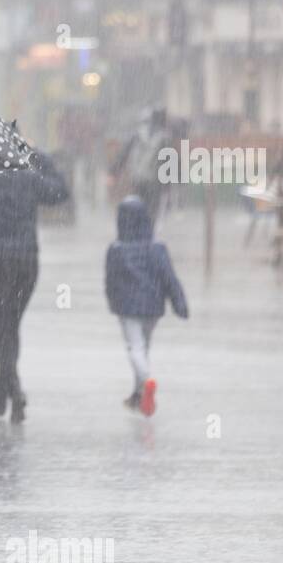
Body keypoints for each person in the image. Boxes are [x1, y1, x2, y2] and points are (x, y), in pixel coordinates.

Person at [0, 150, 69, 422]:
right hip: (24, 263)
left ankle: (13, 389)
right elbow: (61, 193)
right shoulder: (29, 177)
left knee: (1, 328)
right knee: (9, 326)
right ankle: (6, 389)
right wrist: (44, 161)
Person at [105, 196, 189, 416]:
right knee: (144, 347)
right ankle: (139, 394)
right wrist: (179, 302)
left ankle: (147, 381)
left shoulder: (116, 249)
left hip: (127, 307)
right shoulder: (157, 248)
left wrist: (113, 302)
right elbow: (169, 277)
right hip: (153, 308)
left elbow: (110, 281)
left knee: (135, 348)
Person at [111, 106, 172, 221]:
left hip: (138, 178)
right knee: (152, 211)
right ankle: (148, 232)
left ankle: (140, 231)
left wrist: (114, 171)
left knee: (139, 207)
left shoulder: (136, 135)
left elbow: (124, 153)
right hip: (155, 181)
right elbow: (169, 163)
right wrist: (169, 183)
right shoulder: (164, 138)